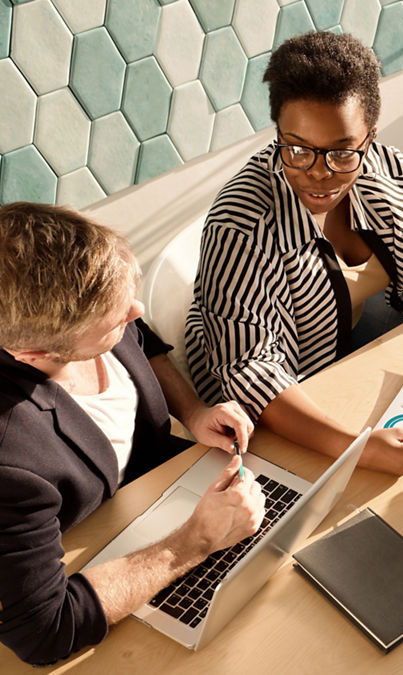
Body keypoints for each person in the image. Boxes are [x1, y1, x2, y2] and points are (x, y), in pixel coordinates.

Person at [186, 32, 403, 474]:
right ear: (278, 135)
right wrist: (358, 448)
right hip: (273, 399)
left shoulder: (380, 165)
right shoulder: (241, 224)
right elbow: (251, 371)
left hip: (345, 344)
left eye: (343, 152)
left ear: (370, 138)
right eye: (298, 149)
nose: (319, 174)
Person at [0, 203, 264, 665]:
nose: (137, 312)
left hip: (167, 495)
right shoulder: (11, 459)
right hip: (113, 564)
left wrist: (194, 411)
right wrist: (195, 541)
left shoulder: (88, 312)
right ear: (34, 353)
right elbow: (44, 631)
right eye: (115, 319)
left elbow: (143, 338)